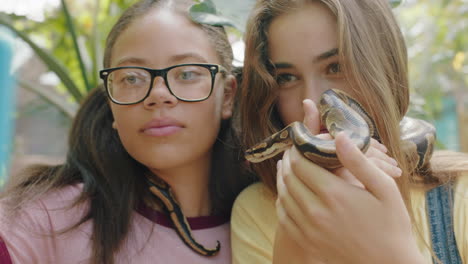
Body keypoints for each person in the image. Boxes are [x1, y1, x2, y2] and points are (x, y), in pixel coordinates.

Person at [0, 0, 255, 263]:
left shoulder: (270, 218)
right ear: (111, 103)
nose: (158, 95)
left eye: (188, 74)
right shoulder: (40, 221)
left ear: (227, 96)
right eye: (131, 78)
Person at [231, 0, 468, 263]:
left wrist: (391, 253)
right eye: (286, 77)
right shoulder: (256, 211)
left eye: (336, 67)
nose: (313, 100)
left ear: (384, 70)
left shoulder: (461, 195)